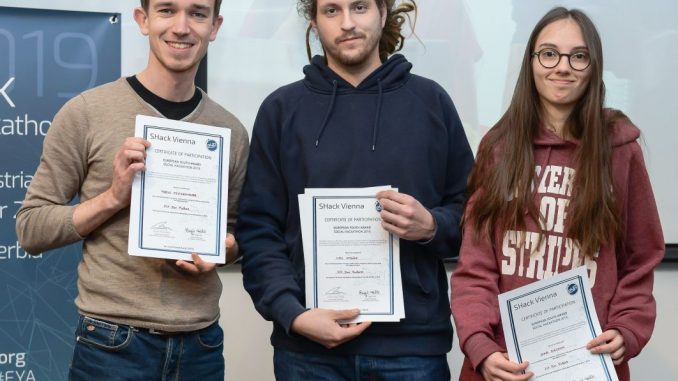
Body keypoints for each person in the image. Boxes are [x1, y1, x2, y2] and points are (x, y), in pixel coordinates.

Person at [235, 0, 474, 379]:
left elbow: (475, 215)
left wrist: (432, 226)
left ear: (383, 12)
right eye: (331, 10)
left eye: (359, 7)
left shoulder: (432, 103)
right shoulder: (281, 110)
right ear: (313, 20)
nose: (347, 23)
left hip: (411, 352)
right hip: (307, 353)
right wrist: (292, 315)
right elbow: (258, 230)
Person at [15, 0, 249, 379]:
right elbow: (30, 229)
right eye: (167, 10)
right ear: (143, 20)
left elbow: (237, 234)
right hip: (111, 344)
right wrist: (112, 198)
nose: (181, 27)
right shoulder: (86, 112)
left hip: (201, 346)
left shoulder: (231, 131)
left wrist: (225, 250)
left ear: (215, 26)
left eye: (198, 13)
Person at [451, 7, 664, 381]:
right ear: (531, 62)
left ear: (593, 66)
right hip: (504, 366)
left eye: (578, 56)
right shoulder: (498, 147)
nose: (562, 67)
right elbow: (475, 266)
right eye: (549, 53)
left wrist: (627, 329)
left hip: (587, 363)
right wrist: (482, 348)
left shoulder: (620, 149)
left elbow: (641, 257)